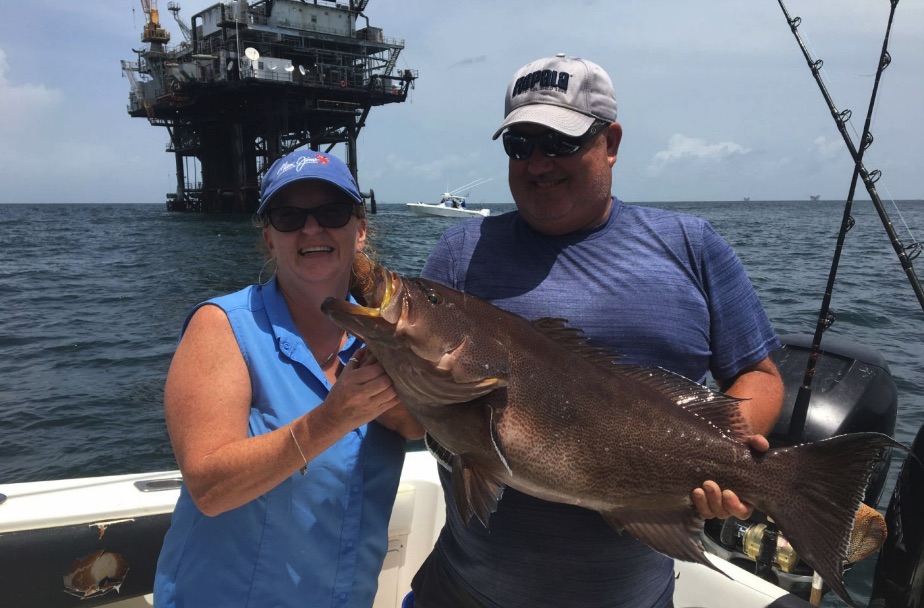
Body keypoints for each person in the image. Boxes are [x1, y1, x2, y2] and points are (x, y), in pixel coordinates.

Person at [409, 54, 785, 607]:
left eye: (558, 144)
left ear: (611, 142)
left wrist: (722, 458)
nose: (537, 164)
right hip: (461, 594)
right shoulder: (460, 254)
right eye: (520, 147)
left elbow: (759, 374)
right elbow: (418, 411)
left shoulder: (691, 245)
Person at [153, 149, 423, 607]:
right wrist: (332, 418)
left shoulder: (388, 339)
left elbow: (419, 425)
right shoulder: (222, 327)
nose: (311, 228)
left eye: (331, 213)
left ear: (359, 232)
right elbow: (210, 489)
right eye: (289, 216)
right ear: (268, 237)